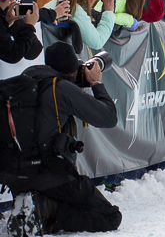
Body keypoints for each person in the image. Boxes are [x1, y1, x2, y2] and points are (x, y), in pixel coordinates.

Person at [10, 43, 122, 232]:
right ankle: (44, 211)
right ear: (72, 69)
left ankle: (31, 204)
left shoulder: (25, 82)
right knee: (111, 217)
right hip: (53, 175)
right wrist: (95, 83)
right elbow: (108, 117)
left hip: (18, 175)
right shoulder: (60, 88)